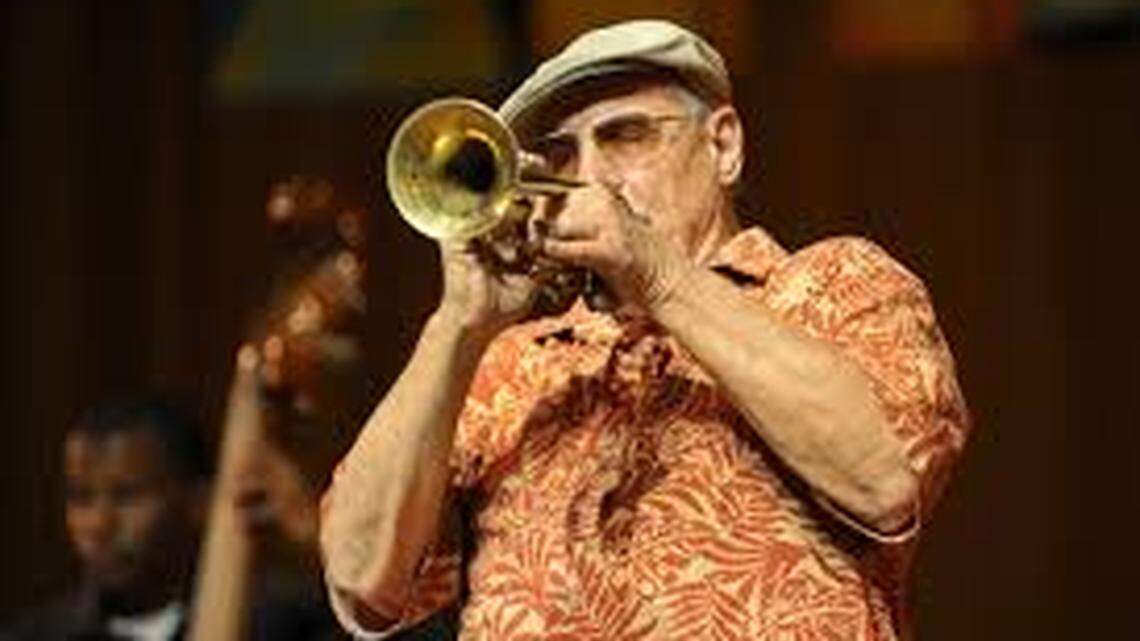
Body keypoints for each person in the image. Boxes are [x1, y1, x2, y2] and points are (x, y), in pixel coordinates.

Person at [320, 19, 970, 641]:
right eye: (558, 153)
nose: (589, 176)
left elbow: (883, 481)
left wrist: (657, 277)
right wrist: (459, 324)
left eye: (626, 135)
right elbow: (360, 582)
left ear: (723, 146)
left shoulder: (836, 283)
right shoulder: (509, 364)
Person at [1, 396, 341, 641]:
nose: (98, 525)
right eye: (81, 498)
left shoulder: (283, 620)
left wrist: (317, 535)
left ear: (199, 502)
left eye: (127, 496)